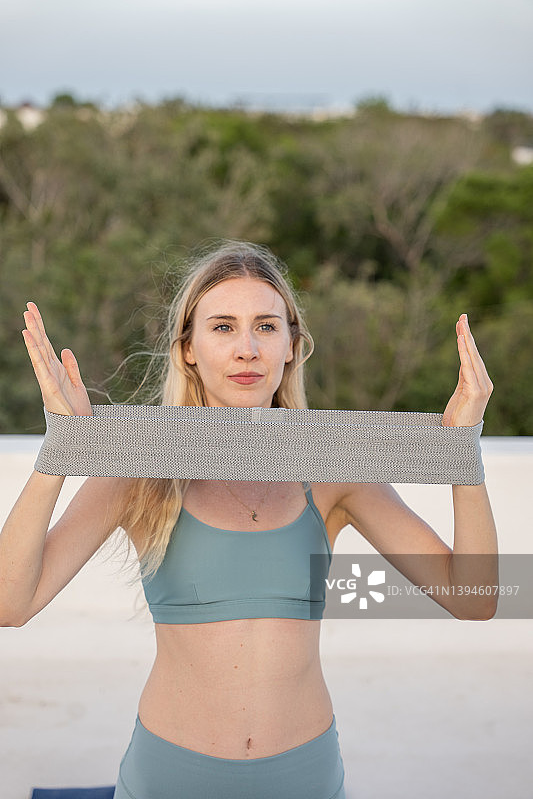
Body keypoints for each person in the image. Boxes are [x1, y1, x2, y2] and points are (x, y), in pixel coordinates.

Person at [0, 240, 497, 799]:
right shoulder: (140, 471)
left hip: (304, 778)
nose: (246, 349)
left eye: (265, 326)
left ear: (292, 345)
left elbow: (475, 598)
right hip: (169, 778)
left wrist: (463, 454)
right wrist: (62, 453)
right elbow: (9, 605)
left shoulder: (333, 471)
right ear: (187, 348)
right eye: (221, 327)